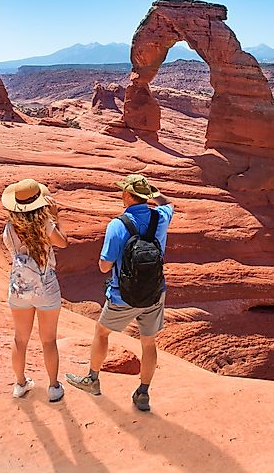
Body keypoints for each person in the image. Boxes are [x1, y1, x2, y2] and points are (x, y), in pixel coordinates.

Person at [66, 174, 174, 412]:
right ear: (146, 196)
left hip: (123, 295)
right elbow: (168, 203)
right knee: (148, 343)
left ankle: (92, 379)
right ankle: (143, 394)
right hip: (155, 291)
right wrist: (154, 193)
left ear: (126, 195)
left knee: (101, 332)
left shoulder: (118, 224)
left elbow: (105, 265)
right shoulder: (161, 217)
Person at [1, 178, 69, 402]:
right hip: (46, 287)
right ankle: (53, 387)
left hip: (19, 289)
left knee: (20, 339)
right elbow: (63, 243)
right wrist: (56, 218)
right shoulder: (46, 225)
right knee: (48, 340)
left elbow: (13, 251)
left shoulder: (10, 228)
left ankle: (20, 384)